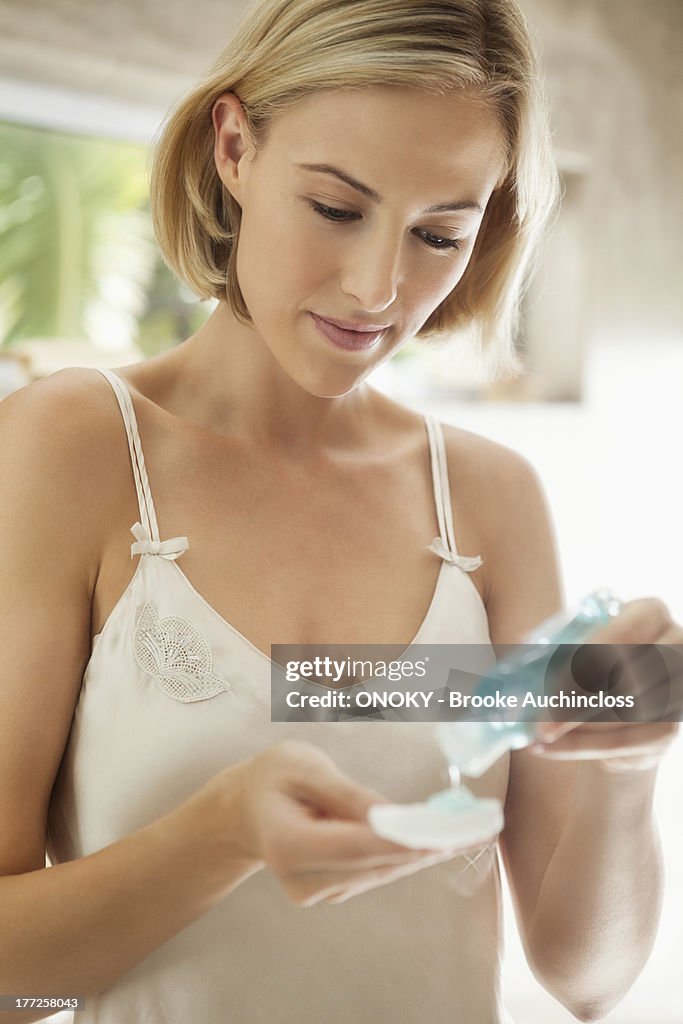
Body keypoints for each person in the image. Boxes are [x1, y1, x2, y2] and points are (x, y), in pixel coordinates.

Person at [0, 0, 679, 1022]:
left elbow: (583, 978)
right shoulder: (74, 448)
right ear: (233, 147)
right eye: (334, 207)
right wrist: (220, 835)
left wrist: (629, 764)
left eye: (438, 232)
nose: (378, 289)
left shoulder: (486, 500)